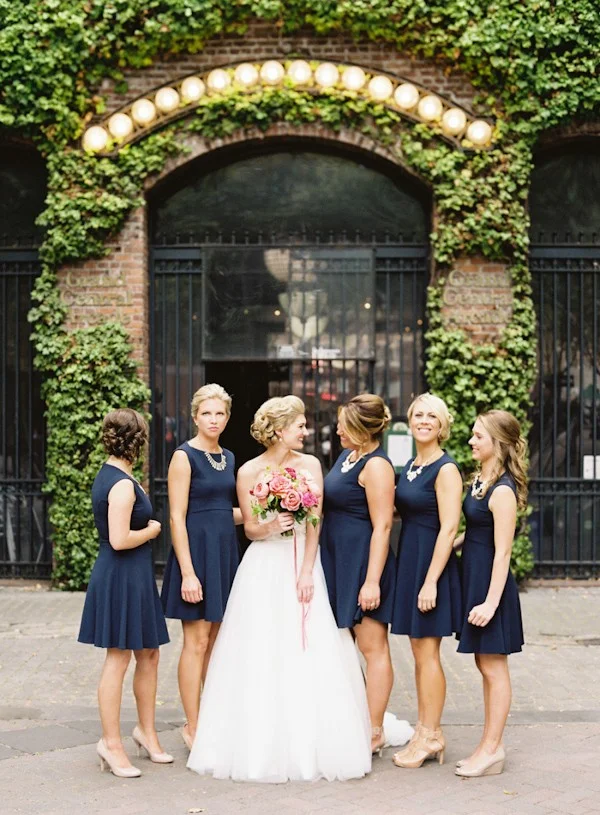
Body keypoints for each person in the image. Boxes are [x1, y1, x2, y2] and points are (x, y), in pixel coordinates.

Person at [187, 395, 371, 782]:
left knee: (308, 648)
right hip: (263, 564)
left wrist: (307, 570)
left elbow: (316, 521)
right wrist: (272, 525)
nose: (306, 431)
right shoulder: (248, 470)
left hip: (302, 563)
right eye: (300, 425)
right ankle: (258, 742)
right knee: (260, 649)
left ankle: (310, 741)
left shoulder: (310, 465)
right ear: (278, 429)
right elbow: (251, 528)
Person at [78, 408, 172, 777]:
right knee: (118, 658)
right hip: (120, 574)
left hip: (135, 575)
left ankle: (146, 733)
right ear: (139, 440)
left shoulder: (119, 474)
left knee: (148, 653)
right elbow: (119, 539)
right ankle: (111, 744)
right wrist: (151, 531)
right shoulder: (119, 482)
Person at [161, 384, 241, 751]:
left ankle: (211, 716)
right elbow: (177, 517)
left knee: (216, 643)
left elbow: (227, 511)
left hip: (223, 555)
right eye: (207, 413)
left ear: (227, 418)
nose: (213, 419)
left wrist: (270, 511)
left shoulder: (230, 458)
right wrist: (188, 572)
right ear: (195, 417)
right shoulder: (184, 456)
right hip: (195, 556)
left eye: (219, 413)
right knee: (196, 642)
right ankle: (192, 725)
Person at [320, 393, 396, 757]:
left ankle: (375, 729)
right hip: (338, 561)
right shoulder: (348, 457)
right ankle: (355, 719)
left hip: (363, 565)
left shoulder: (377, 467)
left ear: (364, 430)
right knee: (346, 648)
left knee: (373, 647)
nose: (337, 430)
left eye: (345, 426)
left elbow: (382, 527)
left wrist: (371, 581)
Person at [390, 393, 463, 769]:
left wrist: (431, 580)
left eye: (431, 415)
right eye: (418, 414)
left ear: (442, 424)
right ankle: (424, 729)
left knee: (428, 652)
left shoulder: (445, 469)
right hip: (411, 560)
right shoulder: (414, 463)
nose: (423, 420)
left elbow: (450, 526)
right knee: (418, 651)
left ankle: (432, 734)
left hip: (430, 565)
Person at [454, 410, 526, 778]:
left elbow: (503, 550)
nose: (471, 441)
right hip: (475, 578)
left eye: (478, 436)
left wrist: (491, 603)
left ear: (497, 442)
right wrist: (454, 543)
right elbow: (480, 530)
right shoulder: (482, 480)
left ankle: (493, 749)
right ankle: (486, 745)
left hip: (490, 588)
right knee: (484, 665)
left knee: (494, 667)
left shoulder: (502, 490)